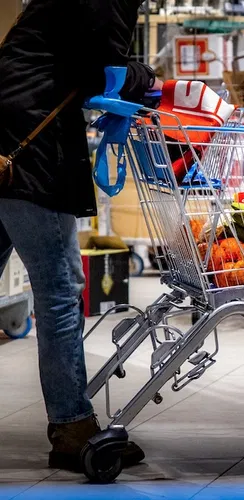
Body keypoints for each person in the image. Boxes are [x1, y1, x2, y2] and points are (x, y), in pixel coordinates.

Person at [0, 0, 162, 472]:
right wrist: (145, 76)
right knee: (59, 291)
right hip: (30, 146)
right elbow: (101, 71)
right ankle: (72, 427)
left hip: (8, 136)